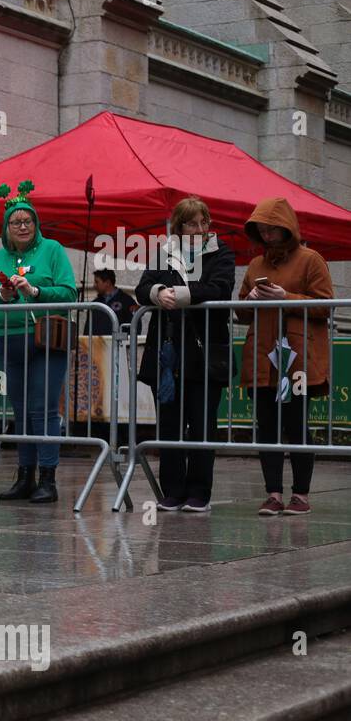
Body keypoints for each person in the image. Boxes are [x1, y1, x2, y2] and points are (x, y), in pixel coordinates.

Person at [0, 180, 78, 504]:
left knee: (43, 408)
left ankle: (48, 478)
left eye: (27, 221)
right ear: (6, 228)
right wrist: (1, 294)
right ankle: (25, 476)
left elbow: (69, 292)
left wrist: (35, 292)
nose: (22, 226)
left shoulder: (53, 250)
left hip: (46, 338)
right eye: (16, 222)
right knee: (20, 410)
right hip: (9, 338)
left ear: (36, 224)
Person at [134, 196, 235, 512]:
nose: (199, 228)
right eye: (192, 222)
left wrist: (177, 294)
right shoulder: (164, 253)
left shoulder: (220, 252)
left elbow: (219, 288)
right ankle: (172, 490)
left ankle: (199, 492)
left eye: (204, 222)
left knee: (202, 424)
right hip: (168, 354)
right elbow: (142, 287)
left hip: (204, 353)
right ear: (179, 226)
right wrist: (156, 293)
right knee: (170, 424)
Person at [236, 197, 333, 516]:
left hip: (297, 360)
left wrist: (285, 297)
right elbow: (239, 313)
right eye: (261, 230)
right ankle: (273, 493)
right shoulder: (255, 265)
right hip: (263, 358)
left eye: (271, 229)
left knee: (295, 425)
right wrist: (249, 299)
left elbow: (325, 306)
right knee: (267, 427)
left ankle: (301, 495)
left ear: (287, 228)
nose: (266, 235)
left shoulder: (311, 259)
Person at [89, 268, 136, 337]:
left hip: (119, 345)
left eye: (97, 282)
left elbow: (134, 325)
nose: (94, 285)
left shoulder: (126, 301)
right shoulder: (94, 304)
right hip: (96, 346)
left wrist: (127, 344)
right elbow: (88, 329)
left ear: (107, 282)